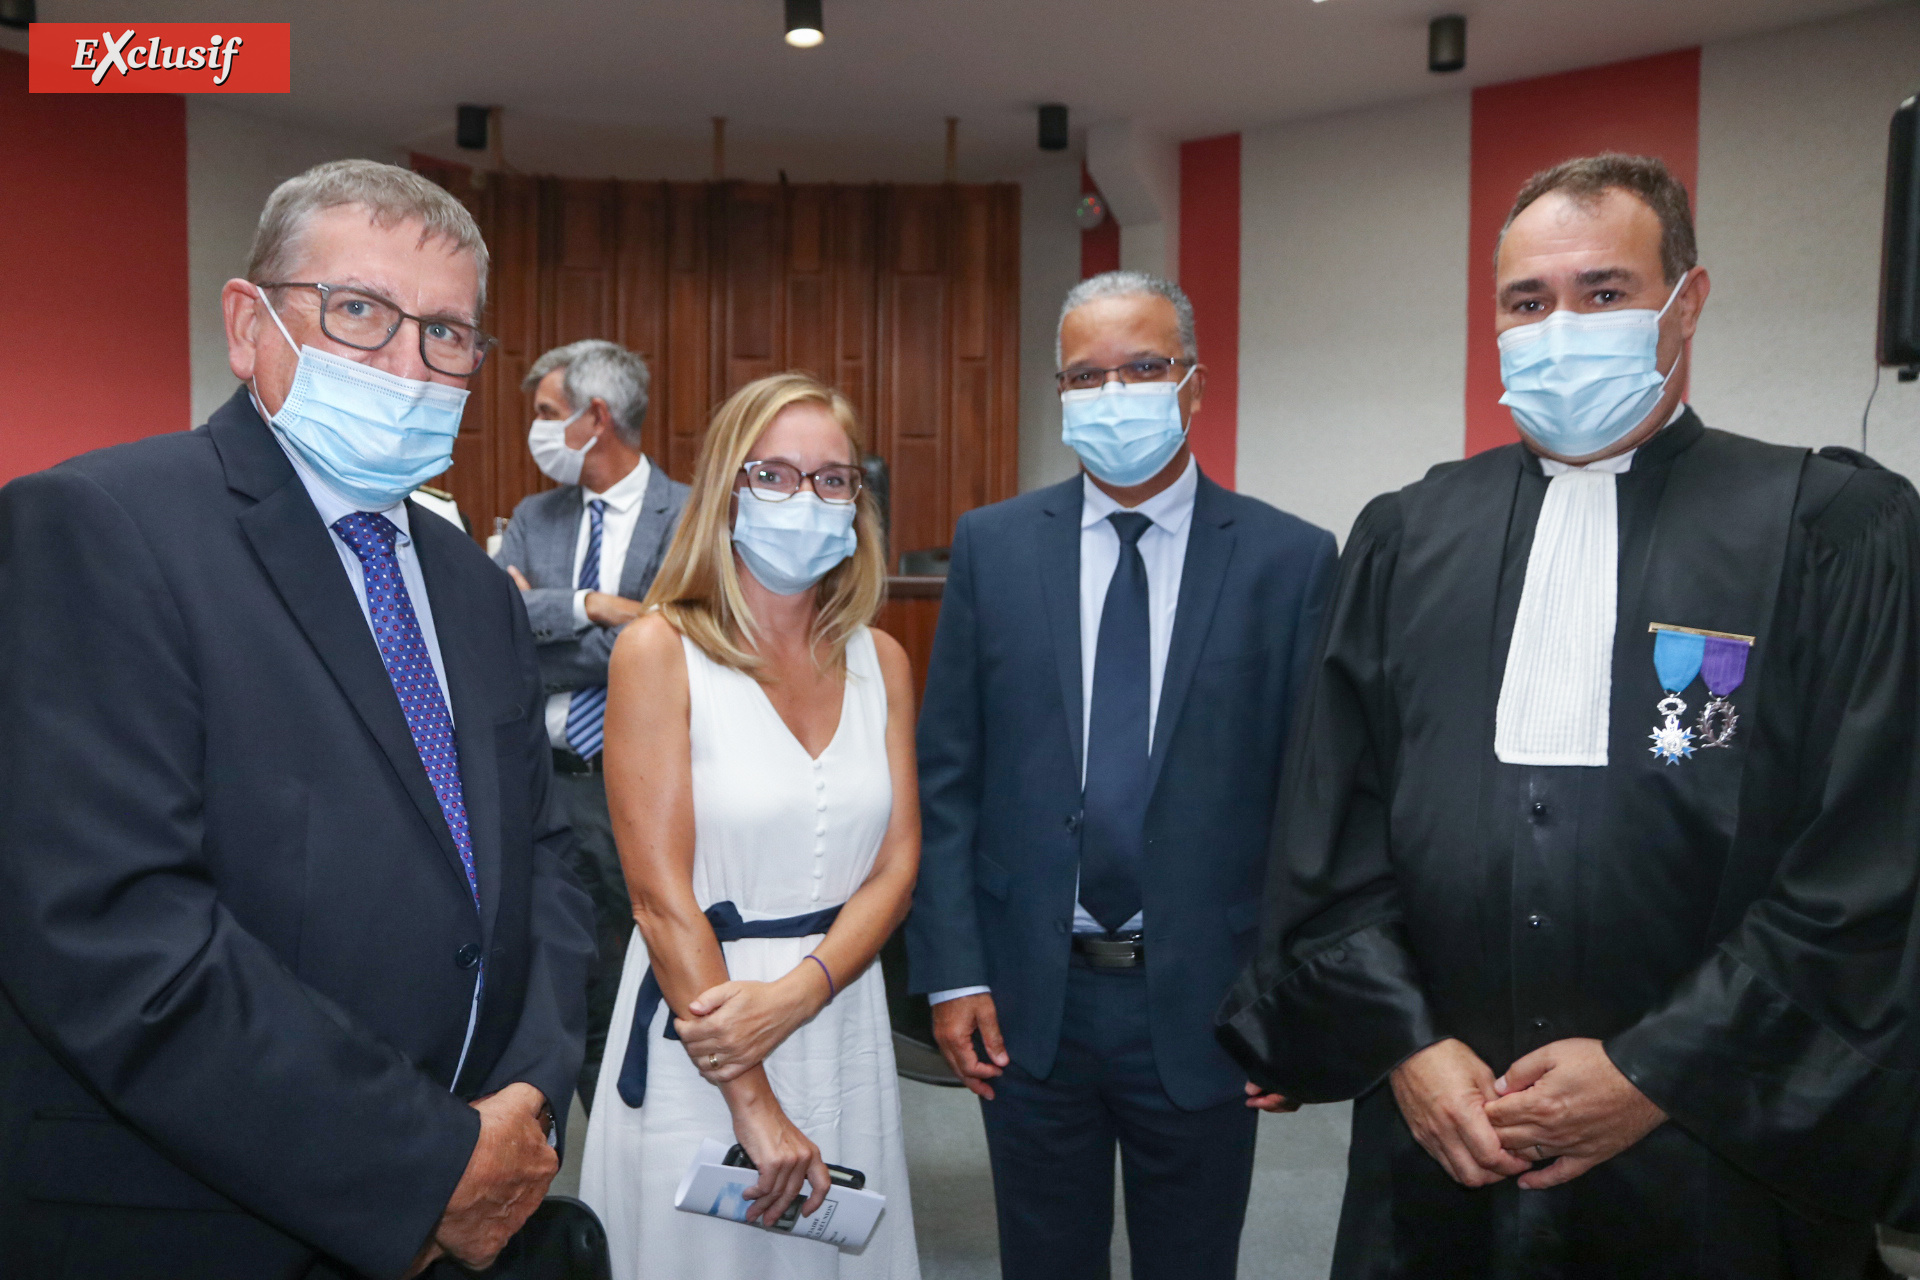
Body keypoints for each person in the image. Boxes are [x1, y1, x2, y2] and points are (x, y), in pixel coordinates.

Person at [1219, 153, 1920, 1277]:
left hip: (1713, 1149)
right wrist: (1408, 1045)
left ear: (1685, 304)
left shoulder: (1828, 529)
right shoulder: (1406, 538)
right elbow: (1330, 832)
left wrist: (1658, 1071)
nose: (1561, 328)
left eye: (1604, 293)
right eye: (1527, 301)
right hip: (1446, 1131)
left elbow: (1870, 861)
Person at [0, 159, 595, 1278]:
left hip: (480, 1202)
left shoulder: (474, 587)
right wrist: (426, 1160)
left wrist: (522, 1100)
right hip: (201, 1218)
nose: (408, 366)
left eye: (450, 334)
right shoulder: (100, 526)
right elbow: (114, 931)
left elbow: (547, 866)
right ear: (248, 322)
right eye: (361, 312)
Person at [909, 271, 1337, 1280]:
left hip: (1207, 1003)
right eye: (1087, 374)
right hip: (1025, 1000)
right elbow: (949, 776)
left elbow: (1310, 803)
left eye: (1143, 367)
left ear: (1194, 385)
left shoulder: (1292, 559)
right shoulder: (993, 546)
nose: (1115, 394)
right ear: (1060, 393)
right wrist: (956, 969)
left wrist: (1293, 997)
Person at [577, 373, 922, 1279]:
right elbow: (658, 897)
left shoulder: (879, 658)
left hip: (837, 1012)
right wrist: (753, 1103)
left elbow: (896, 862)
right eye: (774, 475)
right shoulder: (660, 649)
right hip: (707, 1027)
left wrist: (805, 992)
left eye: (832, 479)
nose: (806, 498)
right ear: (727, 488)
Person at [495, 339, 691, 1112]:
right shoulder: (535, 517)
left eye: (547, 414)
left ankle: (639, 1134)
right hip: (543, 787)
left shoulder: (691, 514)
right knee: (555, 985)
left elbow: (670, 645)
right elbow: (501, 638)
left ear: (595, 417)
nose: (536, 431)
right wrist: (591, 607)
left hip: (641, 788)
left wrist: (543, 617)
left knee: (640, 977)